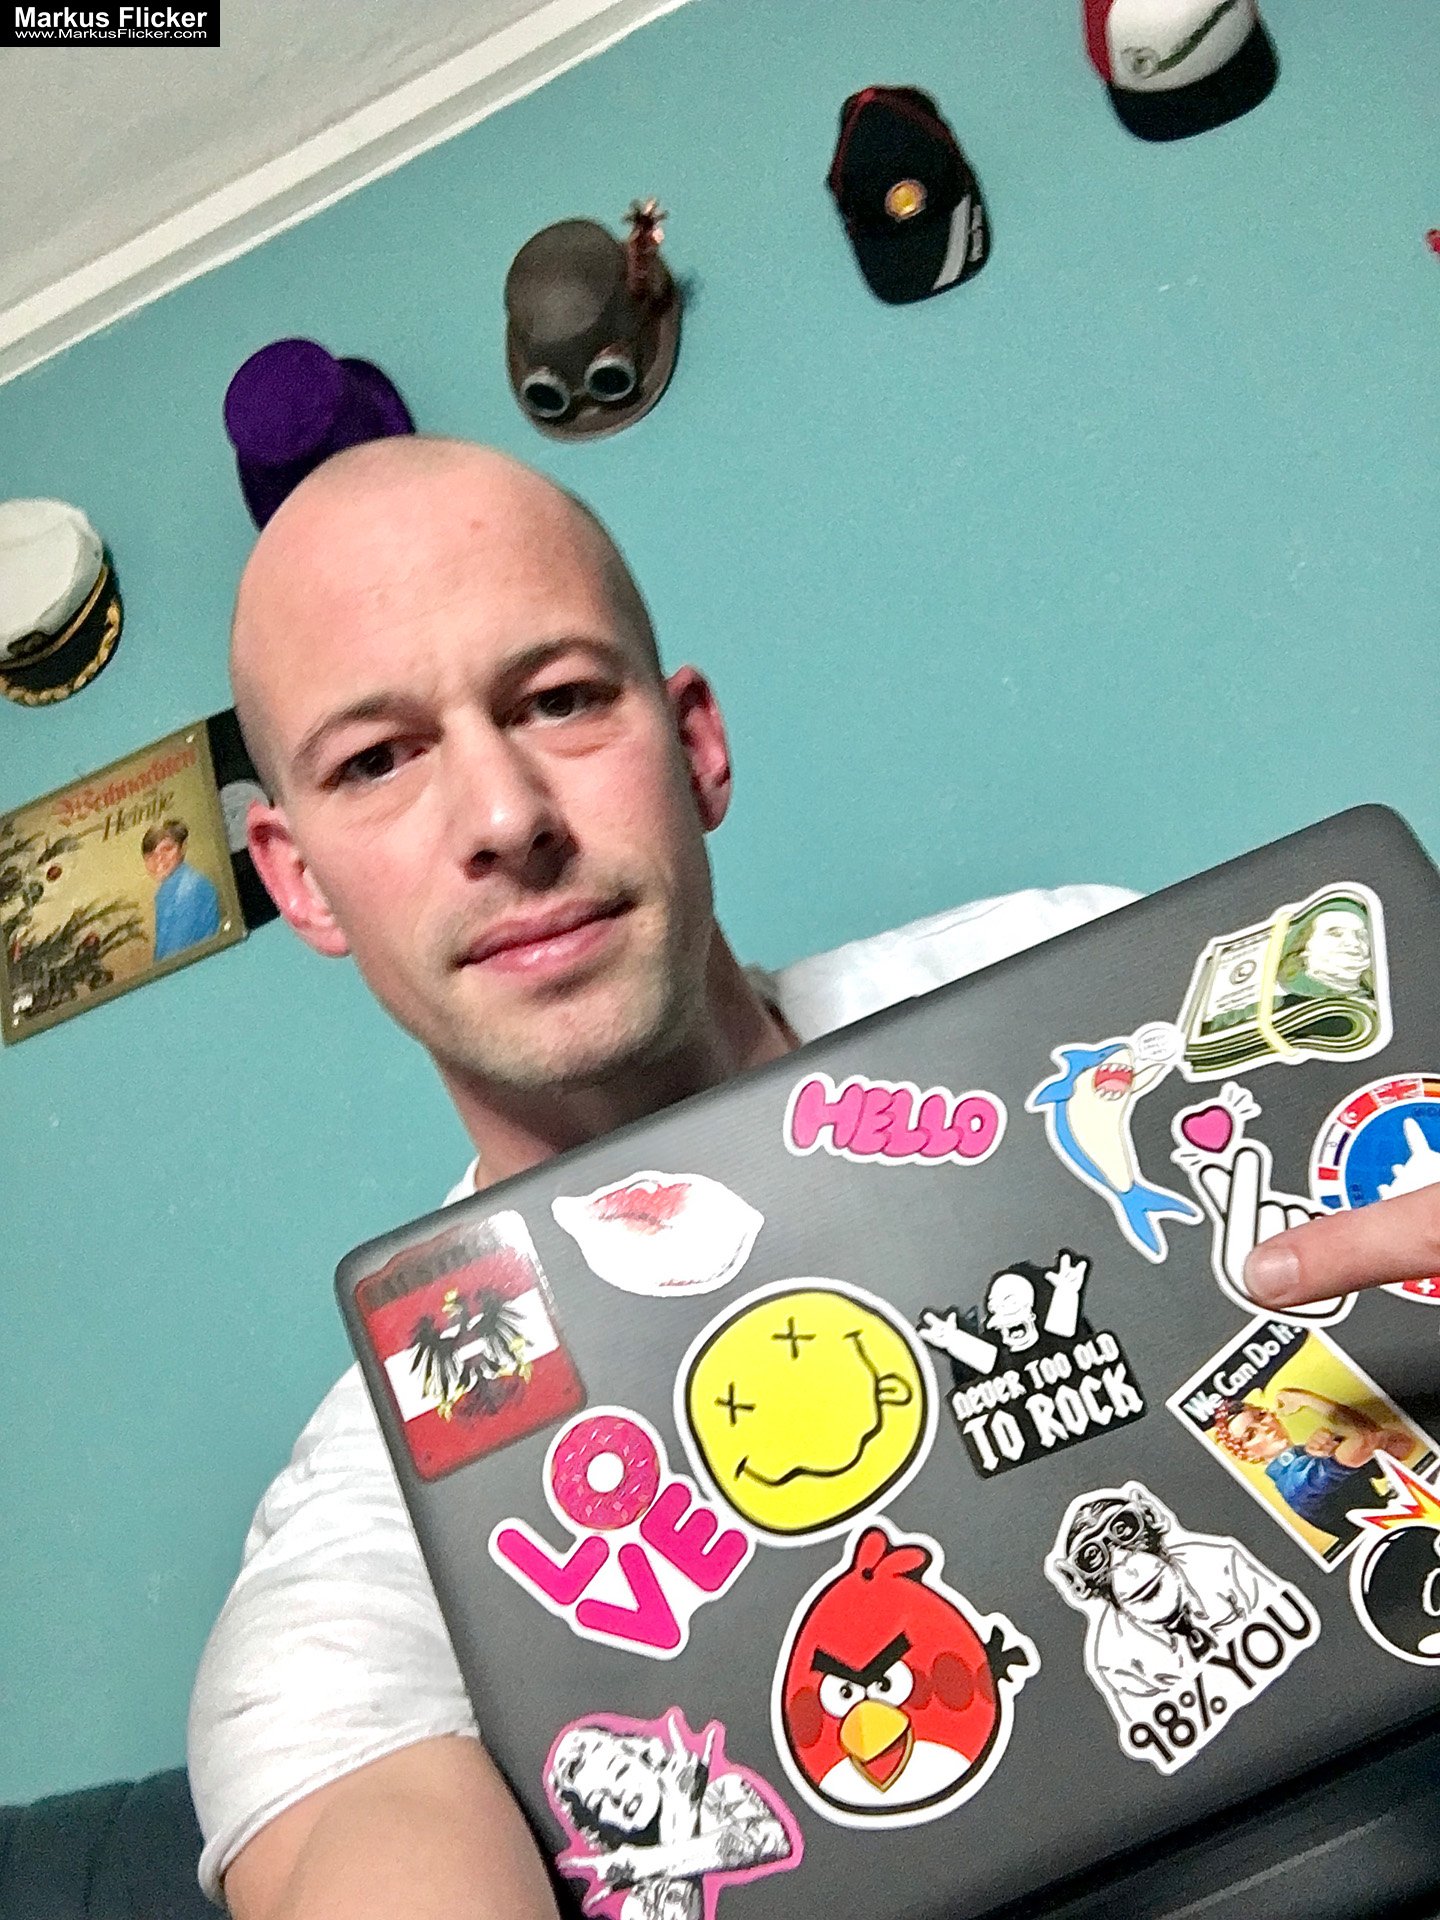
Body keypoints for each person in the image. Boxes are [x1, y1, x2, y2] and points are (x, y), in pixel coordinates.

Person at [188, 435, 1440, 1919]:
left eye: (560, 699)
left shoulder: (1089, 985)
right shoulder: (381, 1504)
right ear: (300, 878)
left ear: (696, 746)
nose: (505, 819)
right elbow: (353, 1816)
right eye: (378, 761)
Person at [1210, 1387, 1412, 1538]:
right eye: (1251, 1434)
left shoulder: (1306, 1454)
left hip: (1404, 1521)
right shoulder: (1295, 1482)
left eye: (1261, 1416)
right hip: (1389, 1542)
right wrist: (1308, 1400)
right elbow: (1369, 1439)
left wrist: (1342, 1444)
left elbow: (1400, 1446)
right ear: (1247, 1455)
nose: (1266, 1428)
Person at [142, 819, 222, 961]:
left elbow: (175, 954)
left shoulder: (189, 888)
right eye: (151, 856)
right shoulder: (165, 891)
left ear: (182, 848)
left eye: (167, 849)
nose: (159, 859)